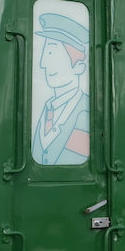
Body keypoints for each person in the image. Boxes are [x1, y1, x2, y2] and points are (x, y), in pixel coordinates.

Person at [32, 12, 90, 165]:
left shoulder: (86, 112)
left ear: (79, 66)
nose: (43, 63)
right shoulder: (46, 110)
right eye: (44, 52)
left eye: (51, 52)